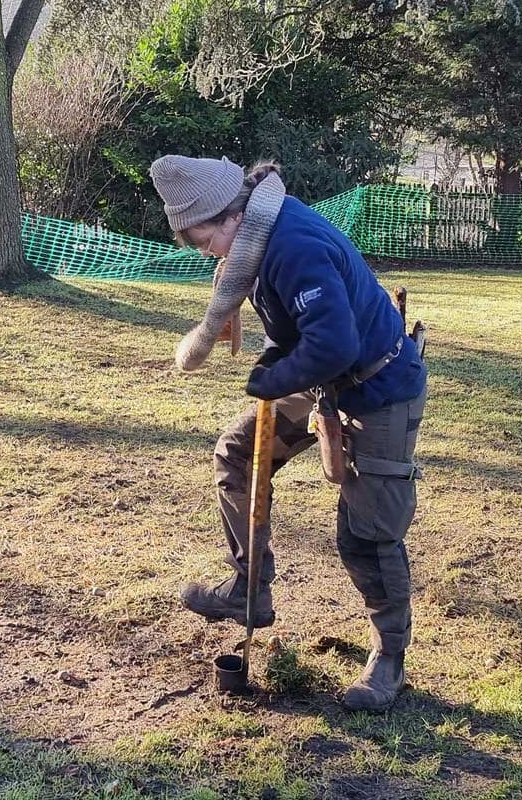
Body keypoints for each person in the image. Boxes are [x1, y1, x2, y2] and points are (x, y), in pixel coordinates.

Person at [149, 155, 427, 712]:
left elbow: (335, 344)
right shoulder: (256, 240)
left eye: (204, 240)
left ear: (229, 217)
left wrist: (271, 380)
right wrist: (277, 369)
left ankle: (389, 659)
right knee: (238, 453)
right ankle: (249, 592)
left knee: (366, 534)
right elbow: (299, 335)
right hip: (327, 380)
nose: (208, 254)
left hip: (377, 388)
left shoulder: (293, 245)